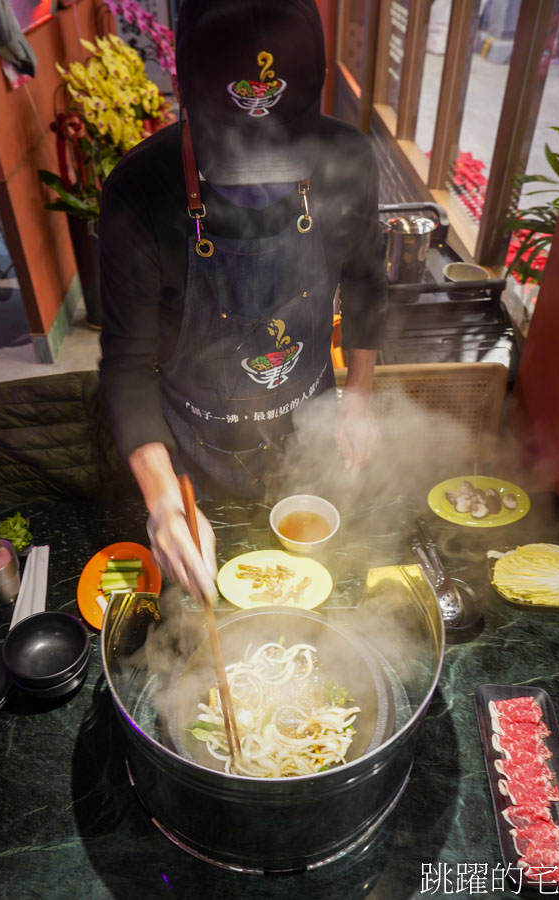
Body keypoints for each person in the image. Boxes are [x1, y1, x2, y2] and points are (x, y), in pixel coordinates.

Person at [98, 0, 388, 603]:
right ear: (186, 93)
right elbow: (126, 364)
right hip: (196, 463)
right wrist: (162, 506)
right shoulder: (139, 191)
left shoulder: (349, 159)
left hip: (312, 443)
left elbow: (365, 284)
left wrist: (358, 397)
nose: (260, 190)